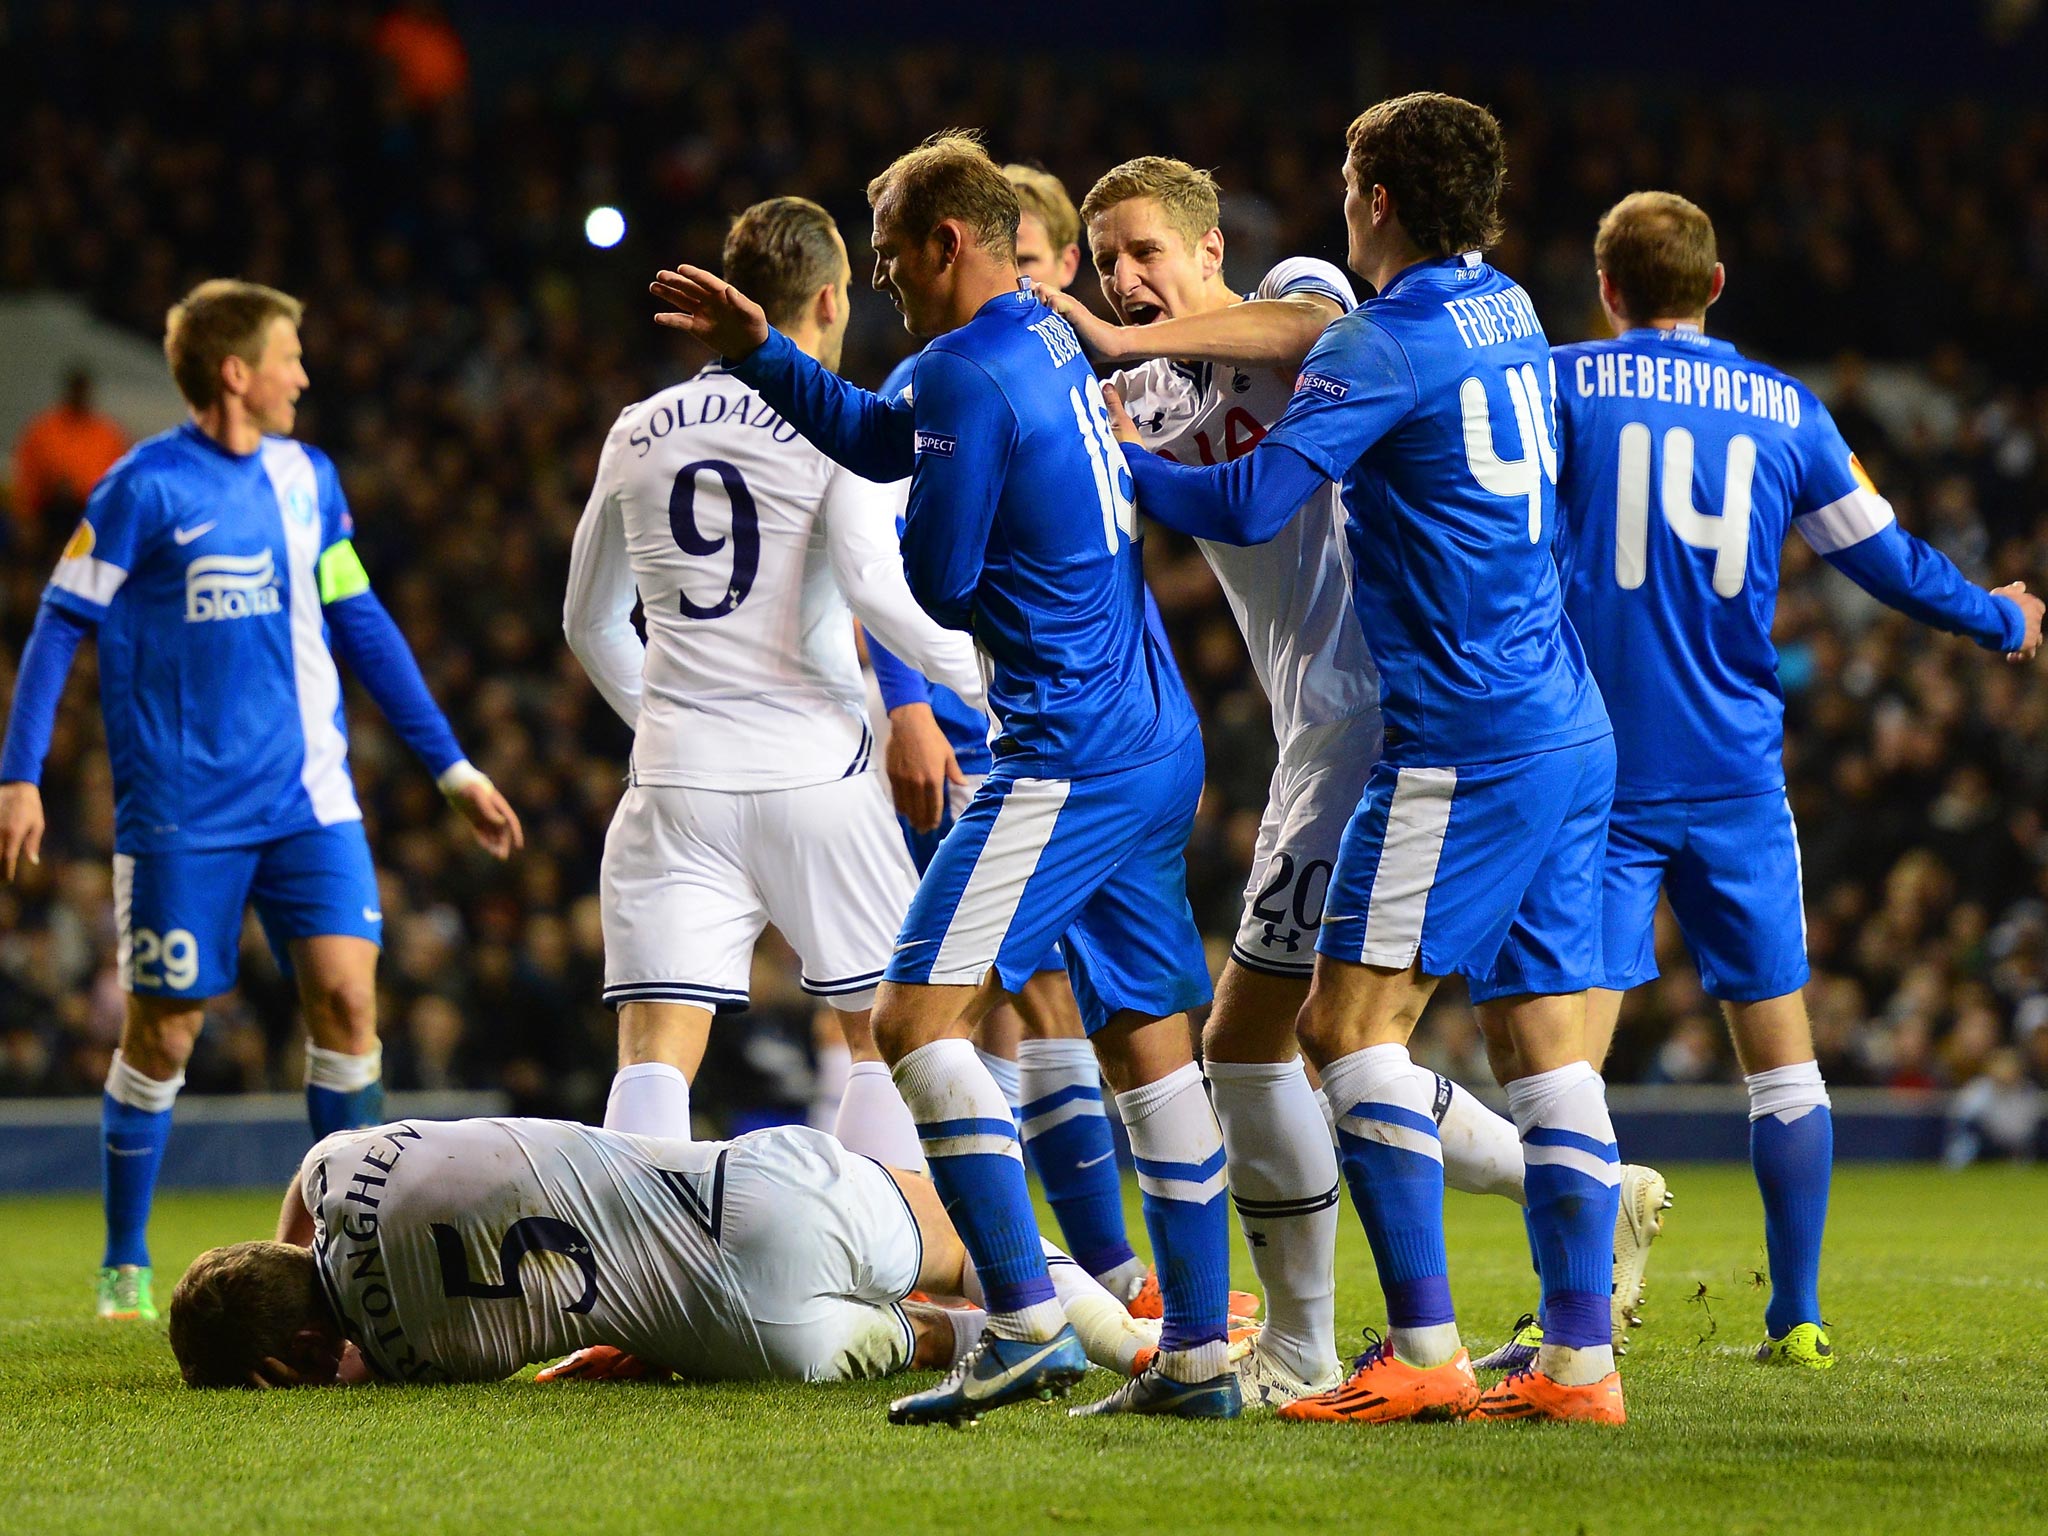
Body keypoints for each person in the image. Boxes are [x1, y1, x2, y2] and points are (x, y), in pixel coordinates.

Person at [1044, 154, 1666, 1408]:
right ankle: (1575, 1262)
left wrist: (1105, 354)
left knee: (1283, 1041)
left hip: (1380, 721)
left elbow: (1320, 326)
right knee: (1424, 1038)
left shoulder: (1308, 302)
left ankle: (1317, 1345)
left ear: (1209, 249)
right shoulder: (1150, 395)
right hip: (1369, 719)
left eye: (1145, 252)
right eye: (1103, 260)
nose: (1124, 278)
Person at [651, 131, 1235, 1423]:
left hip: (1062, 756)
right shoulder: (1037, 331)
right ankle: (1197, 1356)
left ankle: (1026, 1322)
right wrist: (765, 352)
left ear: (945, 244)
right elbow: (874, 433)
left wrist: (933, 531)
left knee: (915, 1021)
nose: (878, 275)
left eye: (890, 252)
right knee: (1150, 1045)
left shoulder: (964, 372)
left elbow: (935, 579)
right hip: (1150, 735)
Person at [1546, 190, 2043, 1370]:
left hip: (1594, 765)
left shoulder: (1556, 383)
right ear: (1715, 288)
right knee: (1780, 1049)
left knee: (1566, 1053)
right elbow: (1882, 558)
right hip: (1732, 774)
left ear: (1604, 289)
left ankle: (1565, 1313)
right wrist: (1999, 618)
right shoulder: (1782, 409)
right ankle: (1798, 1316)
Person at [0, 280, 522, 1325]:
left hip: (309, 803)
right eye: (289, 355)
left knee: (347, 1005)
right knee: (166, 1034)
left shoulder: (309, 479)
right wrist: (19, 773)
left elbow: (360, 619)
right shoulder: (139, 490)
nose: (304, 374)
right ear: (237, 372)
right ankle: (122, 1262)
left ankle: (347, 1252)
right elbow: (60, 623)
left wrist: (451, 766)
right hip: (182, 814)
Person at [564, 196, 985, 1175]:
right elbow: (878, 591)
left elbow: (587, 623)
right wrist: (990, 680)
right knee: (882, 1036)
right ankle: (894, 1277)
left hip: (673, 782)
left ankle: (644, 1310)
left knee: (654, 1054)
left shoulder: (638, 429)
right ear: (831, 299)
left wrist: (668, 718)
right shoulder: (845, 426)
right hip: (815, 773)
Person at [864, 162, 1154, 1311]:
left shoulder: (994, 359)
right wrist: (905, 701)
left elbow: (929, 573)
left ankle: (1049, 1297)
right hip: (1029, 726)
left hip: (1048, 731)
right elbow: (862, 548)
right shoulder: (1021, 357)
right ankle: (1106, 1289)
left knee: (981, 1010)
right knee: (1030, 1006)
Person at [167, 1116, 1158, 1391]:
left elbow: (346, 1348)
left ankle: (981, 1346)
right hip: (756, 1202)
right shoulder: (344, 1168)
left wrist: (309, 1362)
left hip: (754, 1340)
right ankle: (1136, 1347)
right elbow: (306, 1187)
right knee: (975, 1239)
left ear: (291, 1350)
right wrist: (293, 1246)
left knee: (944, 1335)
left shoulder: (409, 1362)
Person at [9, 366, 128, 543]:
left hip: (88, 516)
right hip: (47, 513)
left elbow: (119, 482)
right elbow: (27, 477)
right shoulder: (44, 429)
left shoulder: (107, 435)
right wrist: (26, 518)